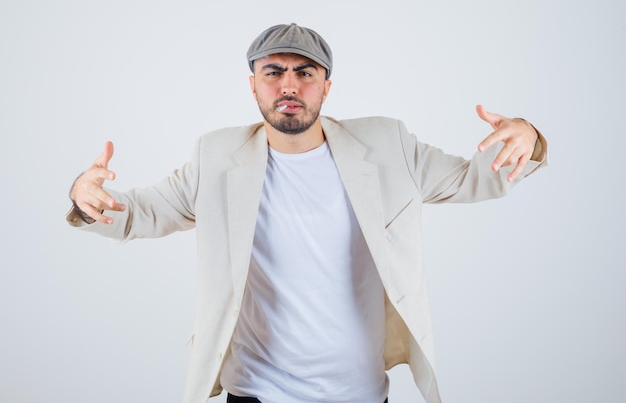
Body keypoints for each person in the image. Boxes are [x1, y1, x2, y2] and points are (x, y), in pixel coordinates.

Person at [67, 23, 547, 403]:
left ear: (326, 86)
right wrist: (87, 199)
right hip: (256, 392)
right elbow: (137, 214)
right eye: (274, 72)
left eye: (306, 72)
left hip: (357, 392)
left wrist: (528, 136)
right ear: (253, 85)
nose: (289, 85)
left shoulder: (386, 145)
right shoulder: (216, 157)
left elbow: (475, 179)